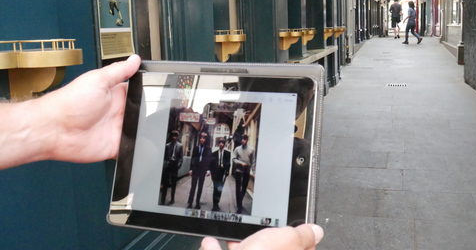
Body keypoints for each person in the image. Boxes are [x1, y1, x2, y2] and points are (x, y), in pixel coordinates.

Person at [0, 54, 324, 249]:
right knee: (197, 194)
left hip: (223, 175)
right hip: (201, 172)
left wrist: (49, 124)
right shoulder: (198, 143)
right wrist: (51, 124)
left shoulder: (242, 149)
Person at [187, 131, 212, 209]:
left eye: (204, 138)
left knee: (200, 187)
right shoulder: (196, 148)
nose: (202, 139)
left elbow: (209, 160)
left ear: (206, 139)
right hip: (195, 170)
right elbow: (193, 159)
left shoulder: (208, 149)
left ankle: (197, 203)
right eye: (201, 137)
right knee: (193, 187)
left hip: (202, 170)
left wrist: (208, 170)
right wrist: (191, 169)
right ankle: (190, 203)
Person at [232, 134, 256, 214]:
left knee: (244, 187)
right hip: (238, 170)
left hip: (247, 171)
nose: (243, 140)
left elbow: (253, 161)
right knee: (238, 188)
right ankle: (239, 205)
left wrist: (253, 171)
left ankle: (240, 200)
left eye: (244, 139)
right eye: (241, 139)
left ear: (247, 140)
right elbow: (234, 159)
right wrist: (240, 163)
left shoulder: (251, 149)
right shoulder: (237, 149)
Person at [160, 130, 183, 205]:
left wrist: (178, 166)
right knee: (165, 183)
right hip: (168, 166)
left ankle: (172, 198)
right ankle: (162, 200)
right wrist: (165, 165)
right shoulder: (167, 145)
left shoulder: (180, 146)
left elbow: (181, 158)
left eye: (175, 136)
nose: (174, 137)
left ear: (177, 137)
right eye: (173, 136)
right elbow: (164, 157)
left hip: (174, 166)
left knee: (173, 183)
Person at [210, 137, 231, 211]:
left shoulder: (227, 154)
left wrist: (227, 171)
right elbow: (211, 164)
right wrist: (211, 173)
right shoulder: (214, 154)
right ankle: (214, 205)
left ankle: (217, 202)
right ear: (218, 144)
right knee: (215, 189)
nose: (221, 144)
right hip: (215, 173)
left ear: (224, 145)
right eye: (220, 143)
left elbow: (229, 164)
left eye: (223, 143)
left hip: (222, 174)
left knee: (220, 189)